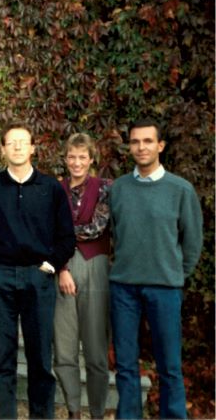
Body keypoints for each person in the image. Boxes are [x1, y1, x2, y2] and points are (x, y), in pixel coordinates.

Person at [0, 122, 76, 419]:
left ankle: (40, 415)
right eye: (11, 142)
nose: (17, 146)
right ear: (2, 149)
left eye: (23, 142)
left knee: (40, 356)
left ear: (32, 148)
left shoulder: (51, 188)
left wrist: (50, 265)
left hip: (37, 277)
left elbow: (66, 236)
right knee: (1, 356)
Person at [109, 119, 202, 419]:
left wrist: (175, 274)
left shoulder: (180, 190)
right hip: (123, 287)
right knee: (125, 364)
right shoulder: (119, 188)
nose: (141, 147)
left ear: (160, 145)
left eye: (148, 141)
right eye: (135, 141)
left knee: (169, 365)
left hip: (164, 288)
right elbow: (115, 233)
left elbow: (192, 241)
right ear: (129, 147)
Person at [53, 133, 112, 419]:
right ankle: (74, 410)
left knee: (96, 349)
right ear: (65, 159)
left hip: (96, 267)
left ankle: (97, 412)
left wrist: (62, 232)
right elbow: (46, 230)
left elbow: (98, 227)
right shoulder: (55, 189)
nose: (76, 162)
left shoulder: (105, 188)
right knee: (64, 349)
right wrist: (62, 268)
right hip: (61, 270)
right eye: (71, 157)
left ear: (91, 159)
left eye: (82, 157)